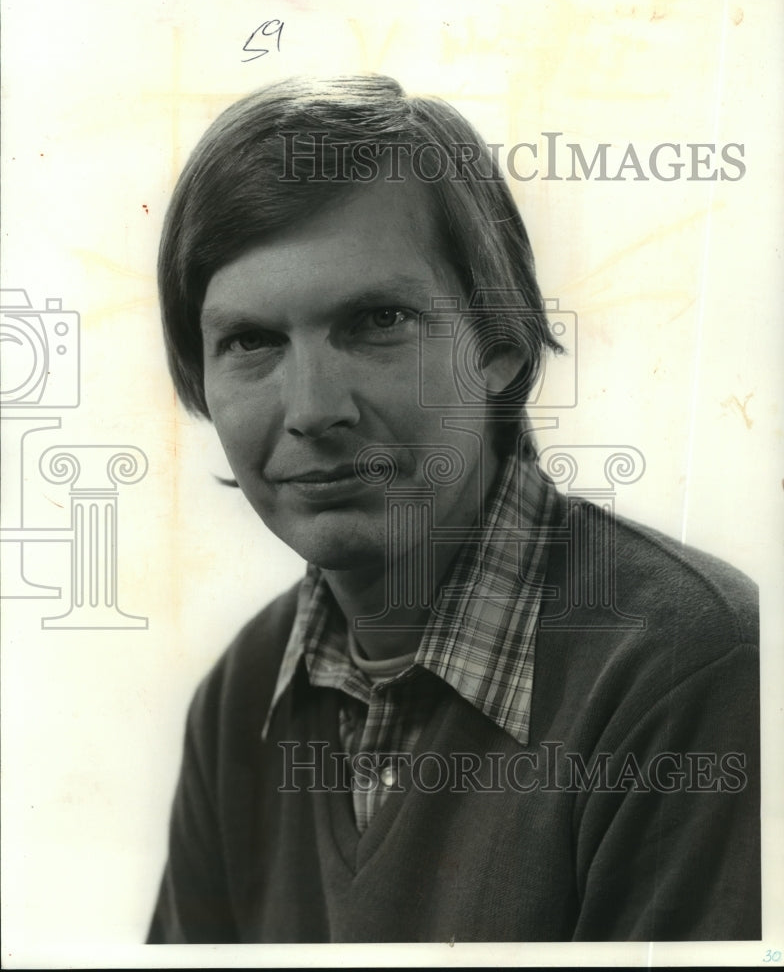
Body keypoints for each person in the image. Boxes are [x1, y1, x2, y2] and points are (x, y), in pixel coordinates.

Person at [147, 75, 760, 943]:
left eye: (377, 321)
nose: (313, 408)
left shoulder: (689, 667)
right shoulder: (240, 699)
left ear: (499, 344)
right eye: (251, 341)